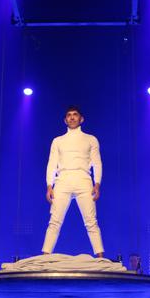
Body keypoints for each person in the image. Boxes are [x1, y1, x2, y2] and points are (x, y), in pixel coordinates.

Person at [41, 105, 105, 257]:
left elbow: (97, 162)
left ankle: (100, 256)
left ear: (81, 119)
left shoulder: (91, 139)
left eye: (75, 114)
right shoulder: (58, 141)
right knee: (55, 220)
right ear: (65, 120)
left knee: (91, 220)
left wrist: (97, 183)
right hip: (62, 180)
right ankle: (45, 256)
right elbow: (52, 163)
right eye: (69, 115)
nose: (72, 117)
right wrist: (49, 186)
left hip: (83, 179)